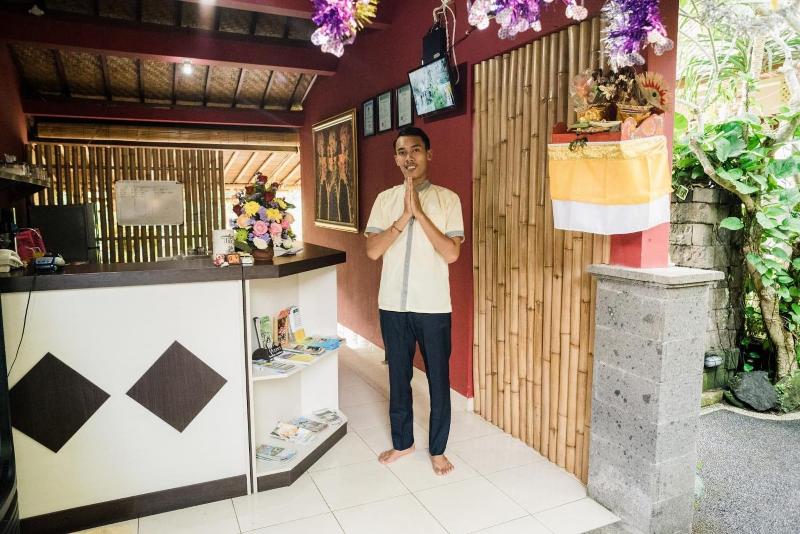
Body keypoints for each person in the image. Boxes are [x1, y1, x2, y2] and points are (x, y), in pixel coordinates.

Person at [364, 126, 464, 476]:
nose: (409, 157)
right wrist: (403, 216)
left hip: (433, 305)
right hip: (393, 303)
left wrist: (420, 213)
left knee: (438, 378)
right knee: (398, 377)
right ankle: (403, 442)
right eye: (402, 151)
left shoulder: (448, 200)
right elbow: (372, 251)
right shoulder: (385, 200)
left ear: (428, 154)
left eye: (416, 150)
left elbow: (451, 253)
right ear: (396, 159)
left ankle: (438, 449)